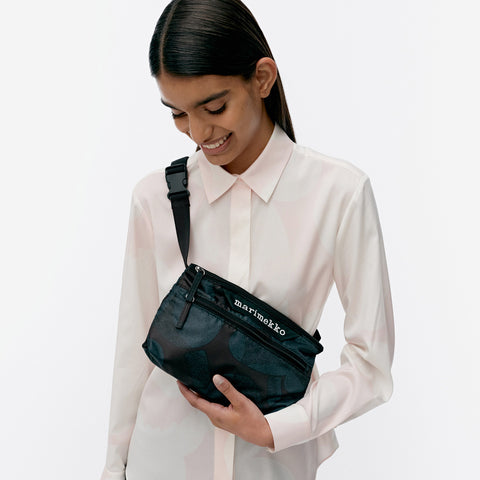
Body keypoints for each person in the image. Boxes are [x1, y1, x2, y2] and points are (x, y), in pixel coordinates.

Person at [99, 0, 395, 479]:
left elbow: (371, 365)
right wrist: (114, 470)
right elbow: (133, 355)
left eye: (214, 107)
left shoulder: (339, 194)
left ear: (262, 78)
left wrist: (276, 428)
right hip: (163, 463)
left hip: (273, 466)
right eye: (178, 114)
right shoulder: (154, 198)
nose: (198, 132)